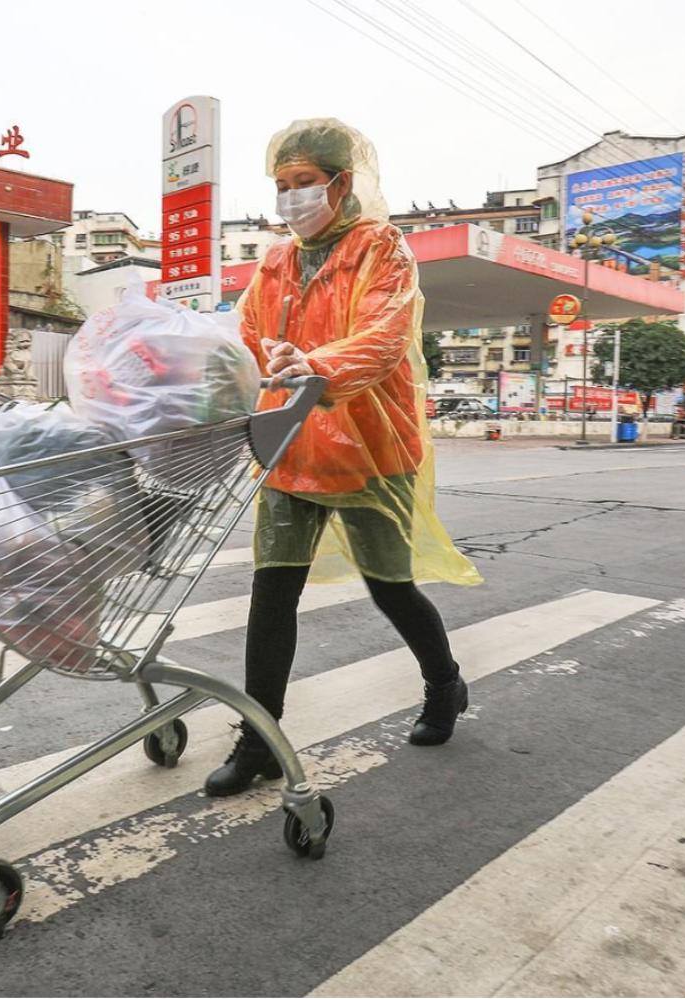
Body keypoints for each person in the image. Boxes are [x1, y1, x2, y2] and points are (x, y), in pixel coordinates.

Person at [205, 119, 482, 798]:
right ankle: (260, 739)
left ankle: (444, 684)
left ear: (341, 182)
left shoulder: (380, 249)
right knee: (272, 591)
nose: (293, 198)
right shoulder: (272, 263)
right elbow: (243, 338)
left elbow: (384, 336)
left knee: (390, 587)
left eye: (305, 184)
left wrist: (315, 364)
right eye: (283, 185)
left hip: (369, 447)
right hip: (290, 444)